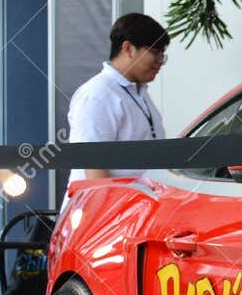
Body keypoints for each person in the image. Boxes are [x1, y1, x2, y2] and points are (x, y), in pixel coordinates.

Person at [66, 13, 170, 184]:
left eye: (162, 55)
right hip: (107, 207)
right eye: (155, 53)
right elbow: (94, 168)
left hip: (137, 205)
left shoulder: (138, 91)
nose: (160, 62)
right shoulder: (98, 94)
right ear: (128, 48)